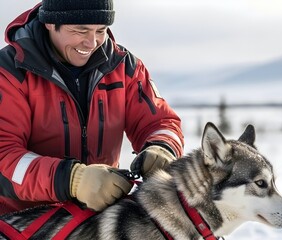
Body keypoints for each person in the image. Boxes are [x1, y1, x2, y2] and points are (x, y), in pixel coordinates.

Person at [0, 0, 184, 215]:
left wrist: (162, 147)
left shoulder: (124, 67)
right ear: (50, 22)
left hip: (99, 219)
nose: (92, 42)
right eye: (81, 30)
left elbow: (161, 122)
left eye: (101, 30)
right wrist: (72, 180)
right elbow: (4, 154)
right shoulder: (9, 72)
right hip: (20, 222)